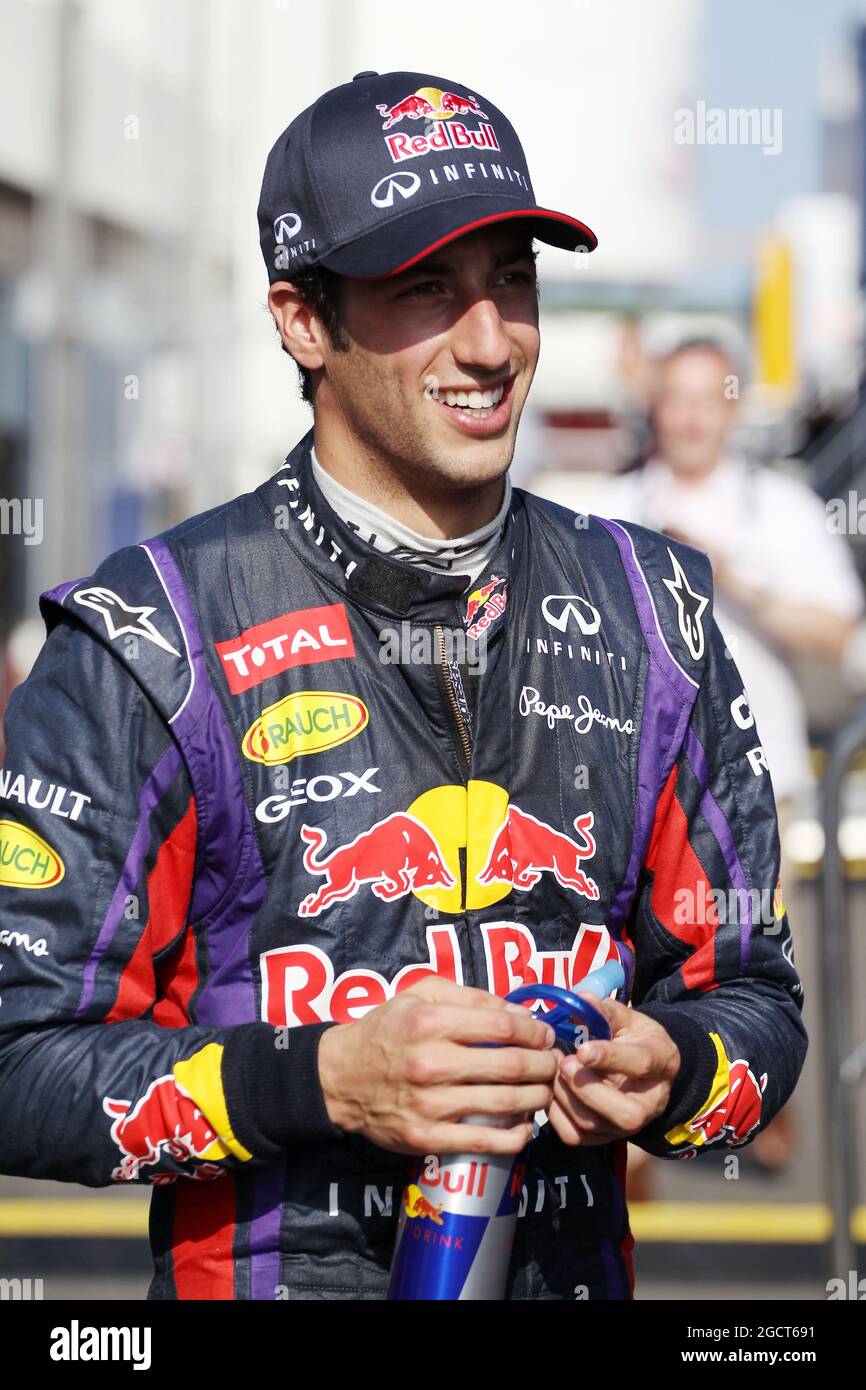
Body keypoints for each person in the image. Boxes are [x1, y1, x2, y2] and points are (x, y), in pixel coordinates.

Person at [0, 71, 806, 1301]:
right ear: (301, 320)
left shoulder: (653, 611)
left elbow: (754, 1000)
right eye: (424, 287)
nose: (488, 343)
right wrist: (323, 1079)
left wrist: (674, 1071)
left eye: (510, 281)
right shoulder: (150, 631)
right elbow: (18, 1059)